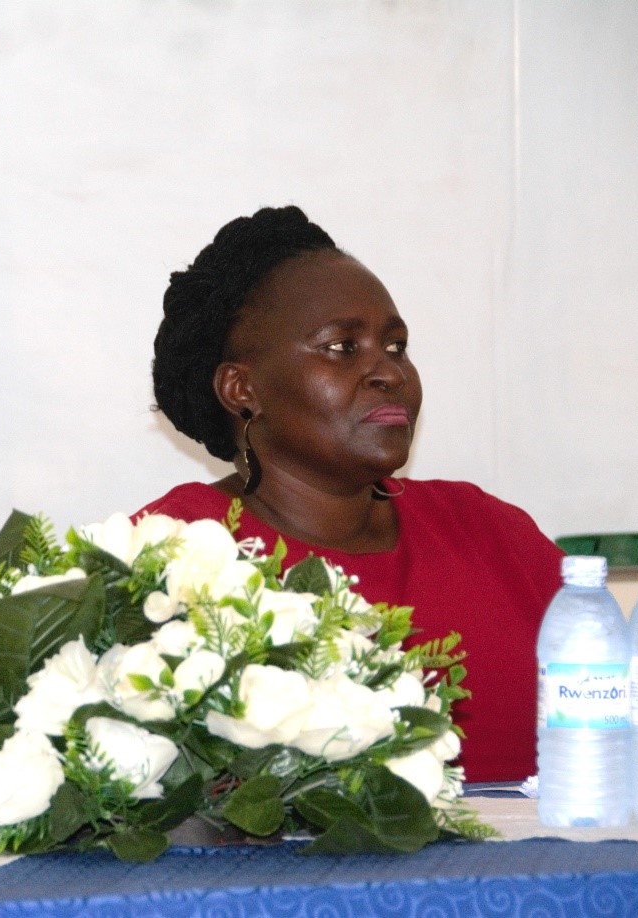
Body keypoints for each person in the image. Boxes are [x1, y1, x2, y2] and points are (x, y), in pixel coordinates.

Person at [140, 206, 561, 783]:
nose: (389, 372)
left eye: (396, 346)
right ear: (242, 389)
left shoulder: (489, 530)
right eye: (342, 347)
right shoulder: (177, 552)